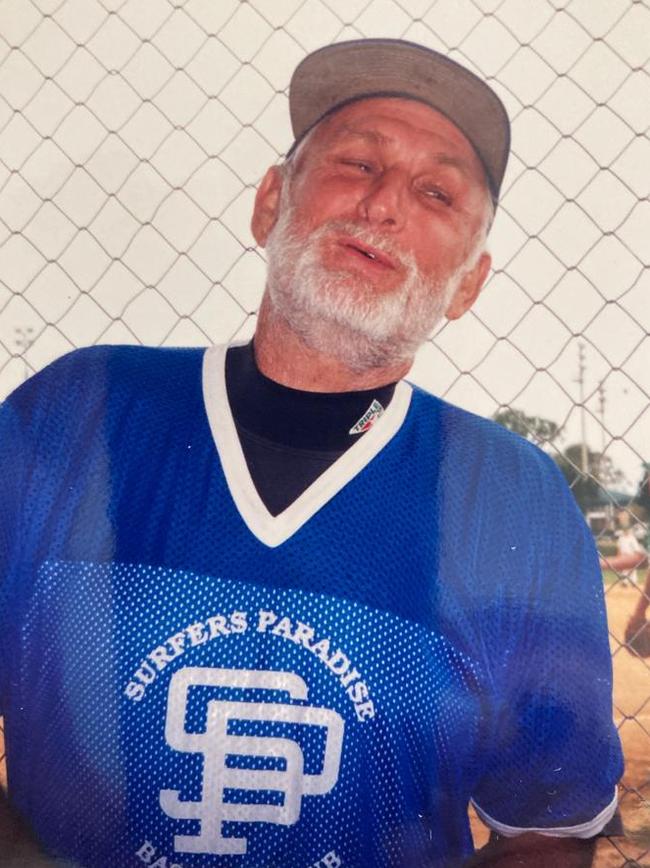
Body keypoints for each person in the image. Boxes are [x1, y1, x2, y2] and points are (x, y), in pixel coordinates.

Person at [0, 38, 623, 868]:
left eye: (436, 191)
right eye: (357, 162)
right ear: (270, 203)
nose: (384, 204)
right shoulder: (75, 411)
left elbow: (545, 827)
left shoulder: (513, 499)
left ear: (468, 284)